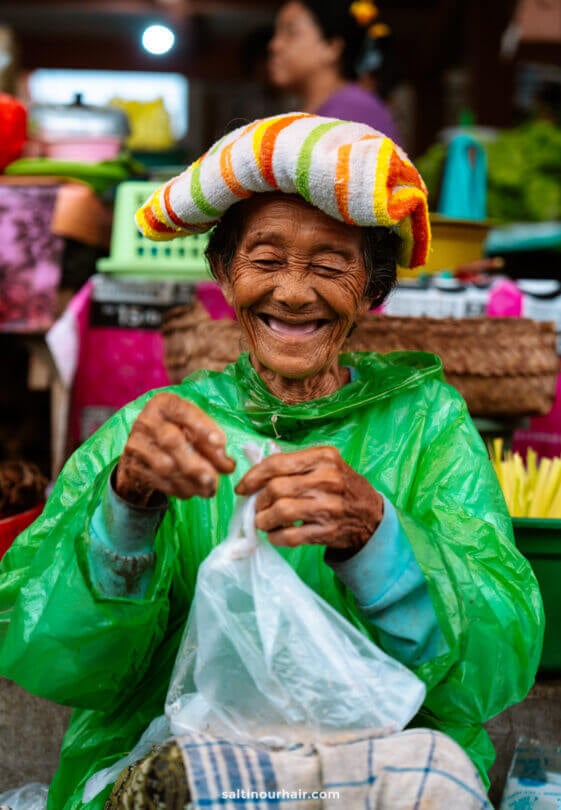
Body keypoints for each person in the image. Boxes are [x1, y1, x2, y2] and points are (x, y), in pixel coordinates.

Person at [0, 112, 543, 810]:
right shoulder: (155, 428)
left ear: (371, 290)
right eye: (264, 260)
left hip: (373, 757)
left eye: (328, 265)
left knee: (432, 777)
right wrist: (126, 507)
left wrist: (378, 536)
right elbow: (54, 653)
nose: (292, 292)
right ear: (224, 275)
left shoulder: (425, 424)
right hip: (178, 752)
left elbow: (498, 658)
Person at [268, 0, 401, 142]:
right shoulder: (327, 109)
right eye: (276, 33)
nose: (275, 45)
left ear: (332, 47)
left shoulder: (354, 111)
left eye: (291, 32)